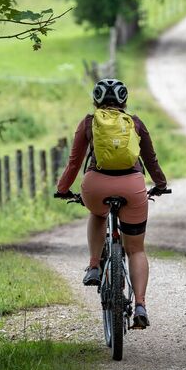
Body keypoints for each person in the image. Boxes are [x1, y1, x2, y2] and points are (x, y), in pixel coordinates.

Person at [55, 78, 168, 329]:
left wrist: (62, 189)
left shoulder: (88, 123)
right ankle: (140, 305)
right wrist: (160, 185)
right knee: (136, 249)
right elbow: (151, 161)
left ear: (96, 101)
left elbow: (74, 163)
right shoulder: (135, 123)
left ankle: (94, 265)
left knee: (97, 213)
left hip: (96, 185)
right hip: (132, 185)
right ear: (124, 101)